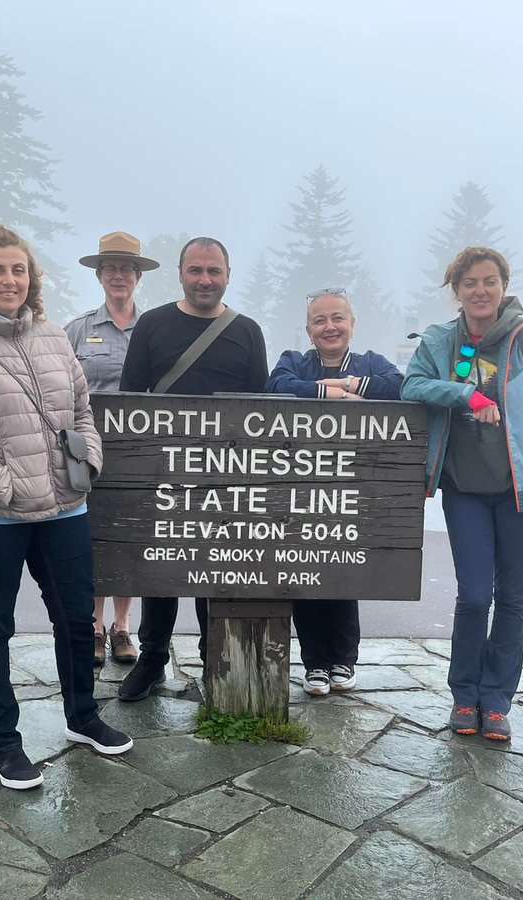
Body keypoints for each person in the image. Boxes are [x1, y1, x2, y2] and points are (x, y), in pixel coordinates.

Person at [0, 224, 132, 790]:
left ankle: (83, 716)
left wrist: (90, 462)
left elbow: (82, 410)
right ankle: (2, 742)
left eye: (18, 269)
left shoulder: (56, 337)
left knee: (75, 616)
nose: (10, 279)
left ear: (30, 278)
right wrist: (2, 484)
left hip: (64, 506)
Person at [401, 246, 523, 741]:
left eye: (489, 282)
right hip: (465, 490)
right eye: (469, 283)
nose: (480, 291)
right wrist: (466, 393)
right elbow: (412, 387)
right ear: (456, 291)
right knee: (474, 594)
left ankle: (497, 700)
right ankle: (465, 695)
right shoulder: (440, 342)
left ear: (504, 287)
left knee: (512, 596)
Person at [116, 236, 268, 702]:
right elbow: (129, 402)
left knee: (215, 574)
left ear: (227, 275)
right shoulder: (153, 325)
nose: (205, 279)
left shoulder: (248, 332)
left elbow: (260, 412)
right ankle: (151, 660)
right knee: (157, 576)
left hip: (224, 480)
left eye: (214, 271)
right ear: (181, 273)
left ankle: (212, 660)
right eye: (196, 270)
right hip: (162, 475)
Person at [266, 288, 403, 695]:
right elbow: (276, 386)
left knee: (343, 572)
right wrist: (328, 393)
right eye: (320, 320)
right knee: (305, 572)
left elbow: (398, 385)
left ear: (352, 324)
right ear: (308, 330)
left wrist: (355, 383)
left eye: (337, 318)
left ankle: (343, 660)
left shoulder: (370, 364)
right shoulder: (294, 361)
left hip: (351, 485)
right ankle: (314, 664)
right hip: (300, 485)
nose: (330, 327)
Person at [65, 232, 159, 667]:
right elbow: (59, 389)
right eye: (110, 268)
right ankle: (93, 626)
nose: (118, 275)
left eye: (127, 268)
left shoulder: (155, 328)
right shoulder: (79, 329)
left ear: (138, 276)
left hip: (140, 455)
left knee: (132, 539)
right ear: (99, 276)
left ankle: (123, 628)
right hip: (90, 453)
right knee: (94, 538)